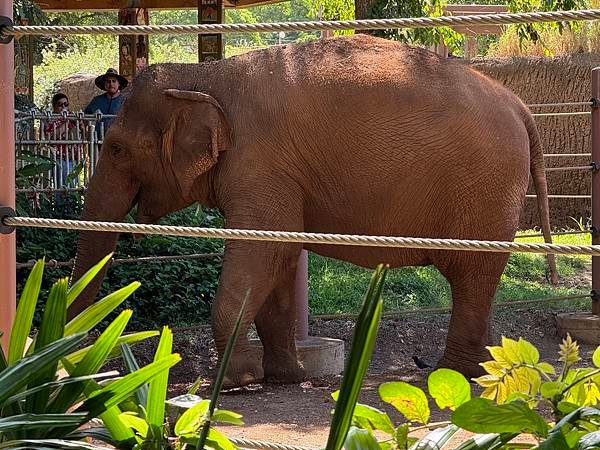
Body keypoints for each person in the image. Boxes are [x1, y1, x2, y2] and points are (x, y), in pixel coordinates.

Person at [84, 68, 128, 134]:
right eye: (108, 81)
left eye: (114, 81)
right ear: (104, 84)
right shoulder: (97, 100)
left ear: (119, 84)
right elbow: (85, 116)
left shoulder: (125, 101)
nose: (111, 84)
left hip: (119, 139)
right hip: (99, 139)